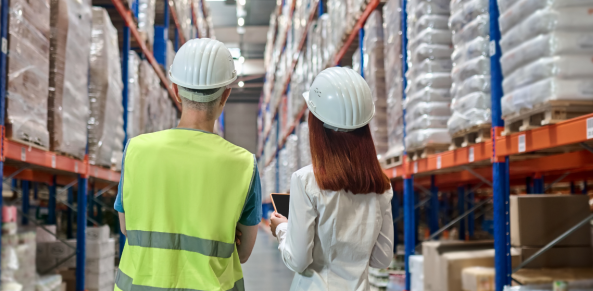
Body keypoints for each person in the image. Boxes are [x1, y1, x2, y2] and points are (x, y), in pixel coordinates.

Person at [113, 38, 261, 291]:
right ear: (226, 94)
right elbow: (244, 251)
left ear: (174, 90)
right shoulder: (243, 164)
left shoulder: (136, 150)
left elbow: (127, 227)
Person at [269, 67, 394, 291]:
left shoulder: (306, 181)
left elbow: (298, 260)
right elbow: (382, 259)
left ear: (317, 126)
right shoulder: (381, 185)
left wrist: (282, 228)